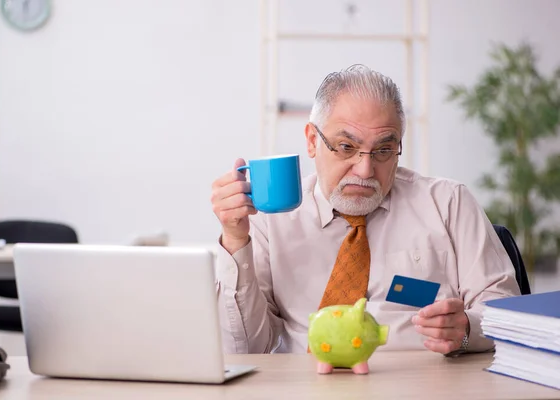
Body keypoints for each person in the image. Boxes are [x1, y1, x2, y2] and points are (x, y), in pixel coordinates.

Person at [210, 64, 520, 356]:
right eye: (346, 147)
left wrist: (467, 329)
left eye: (384, 150)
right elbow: (244, 348)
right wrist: (235, 240)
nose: (365, 169)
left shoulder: (449, 203)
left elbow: (505, 314)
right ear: (311, 141)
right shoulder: (269, 222)